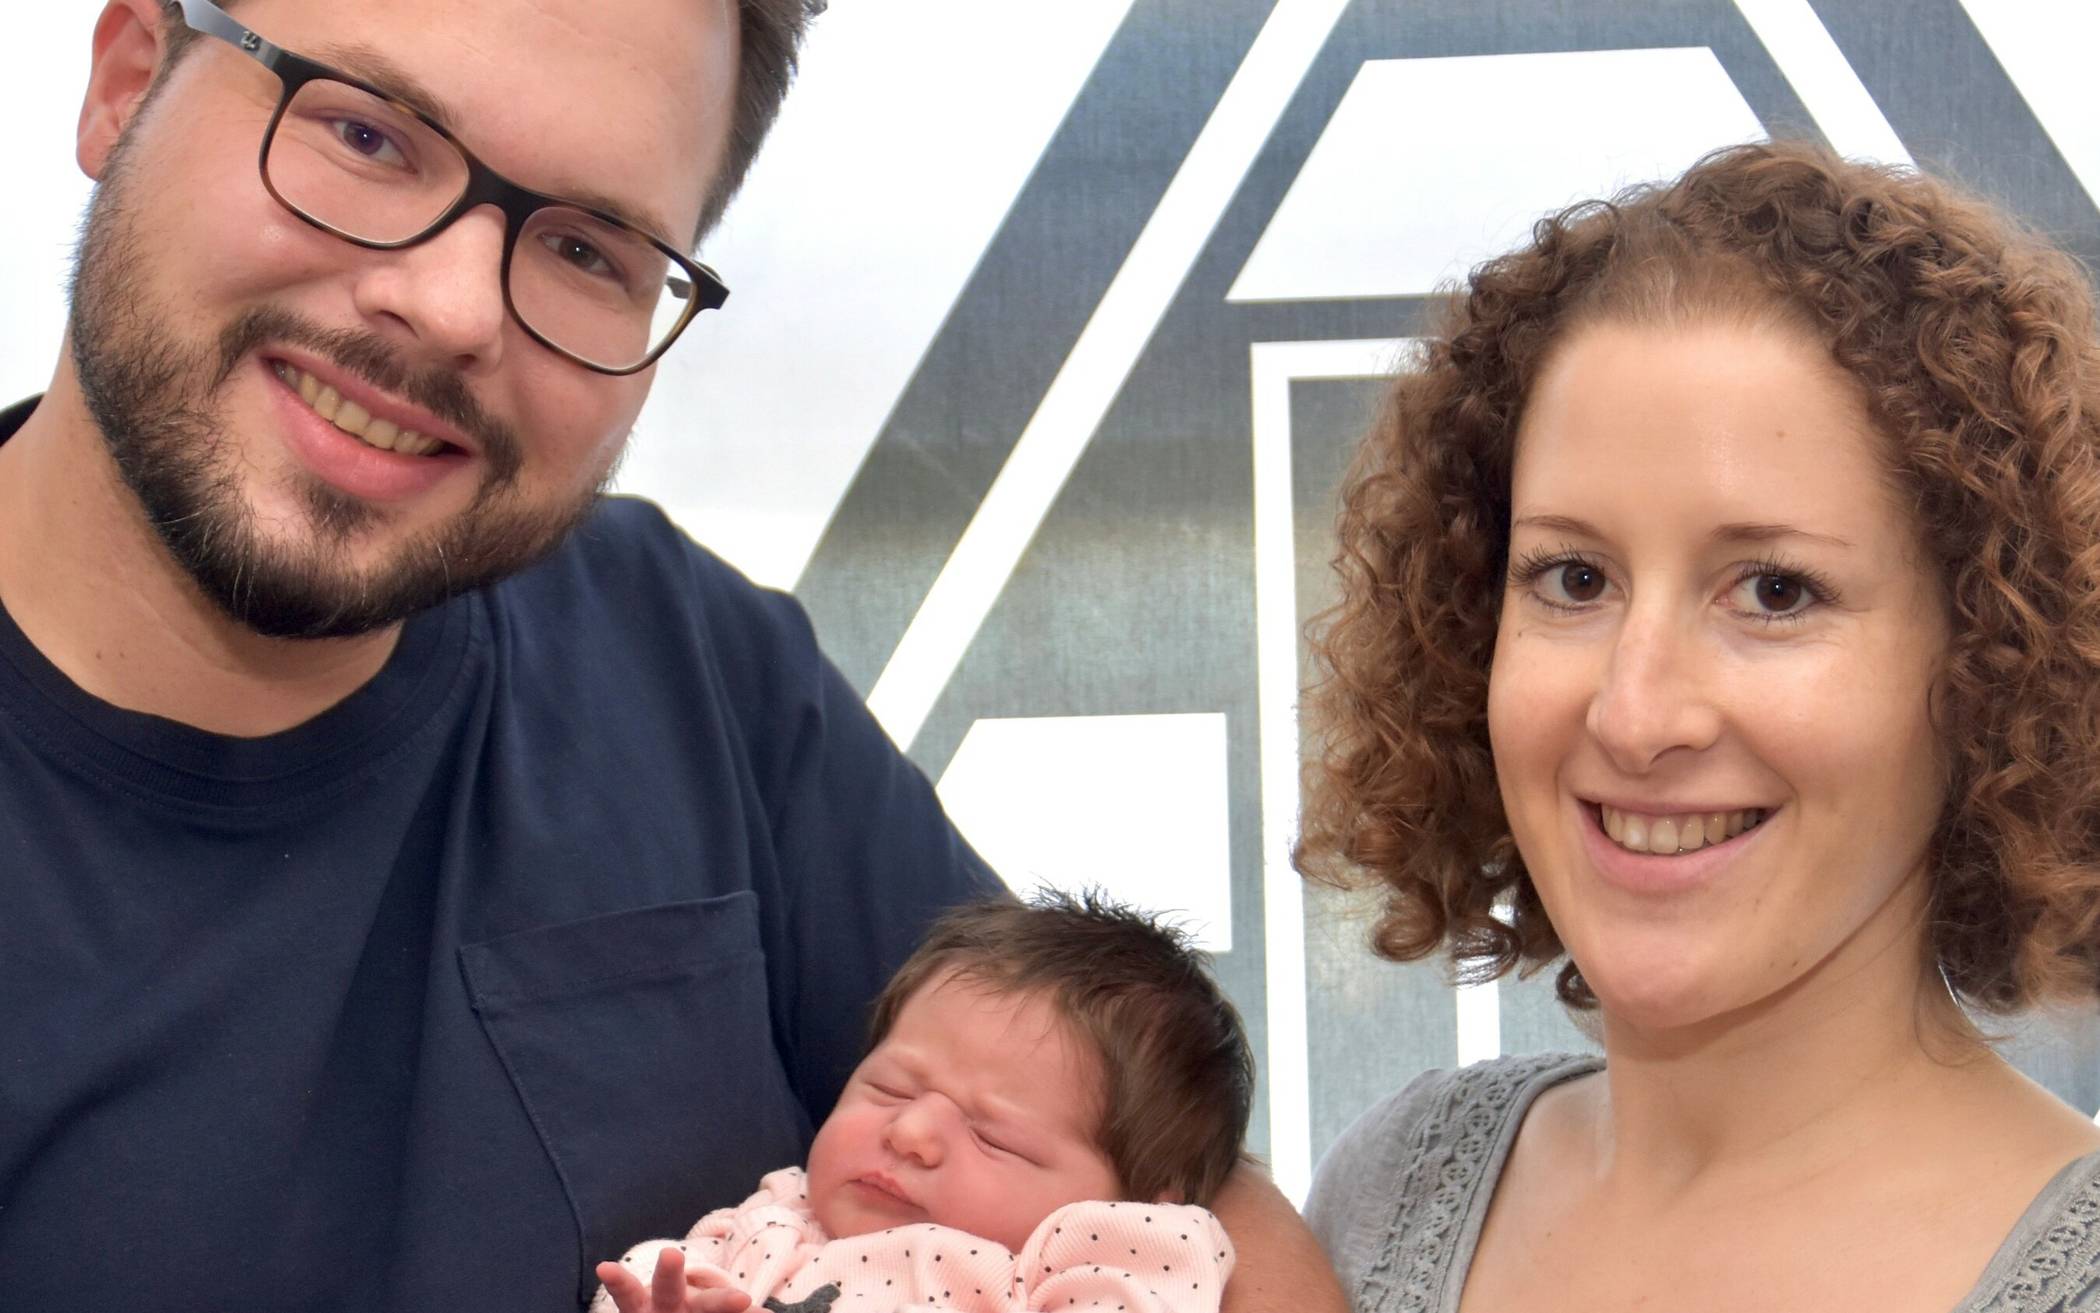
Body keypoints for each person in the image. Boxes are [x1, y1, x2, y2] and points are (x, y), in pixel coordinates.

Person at [0, 2, 1344, 1310]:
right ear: (127, 80)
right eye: (366, 135)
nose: (456, 306)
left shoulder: (681, 656)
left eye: (587, 251)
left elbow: (1179, 1200)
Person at [1293, 140, 2100, 1312]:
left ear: (1994, 666)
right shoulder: (1386, 1194)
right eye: (1573, 577)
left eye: (1774, 590)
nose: (1635, 714)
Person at [590, 894, 1250, 1313]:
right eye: (889, 1088)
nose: (909, 1131)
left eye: (993, 1136)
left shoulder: (1094, 1267)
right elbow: (651, 1274)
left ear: (1135, 1205)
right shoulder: (777, 1217)